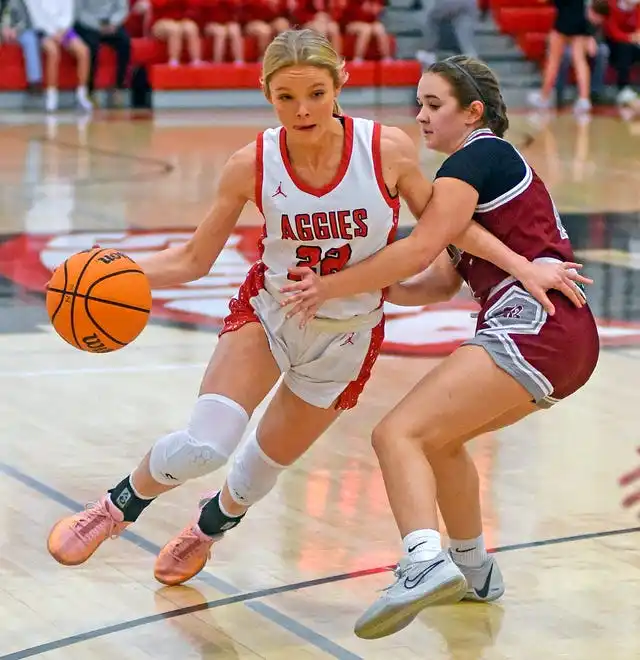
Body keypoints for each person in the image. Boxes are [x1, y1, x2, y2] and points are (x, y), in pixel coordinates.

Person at [46, 31, 589, 589]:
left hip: (348, 337)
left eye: (315, 93)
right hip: (272, 313)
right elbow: (191, 259)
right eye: (285, 96)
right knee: (208, 443)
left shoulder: (387, 150)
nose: (302, 109)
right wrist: (111, 269)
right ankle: (113, 510)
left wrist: (521, 266)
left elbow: (447, 229)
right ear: (267, 94)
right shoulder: (251, 162)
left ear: (339, 85)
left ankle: (205, 530)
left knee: (258, 471)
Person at [280, 54, 601, 640]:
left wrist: (330, 285)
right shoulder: (474, 176)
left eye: (434, 105)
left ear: (472, 111)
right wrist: (371, 286)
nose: (421, 116)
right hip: (564, 337)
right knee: (440, 442)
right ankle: (474, 570)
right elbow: (436, 279)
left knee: (394, 434)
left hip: (534, 325)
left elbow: (422, 245)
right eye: (419, 103)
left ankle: (424, 562)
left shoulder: (477, 156)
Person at [528, 0, 594, 114]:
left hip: (563, 21)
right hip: (580, 21)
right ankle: (584, 99)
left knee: (553, 61)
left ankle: (544, 97)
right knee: (580, 61)